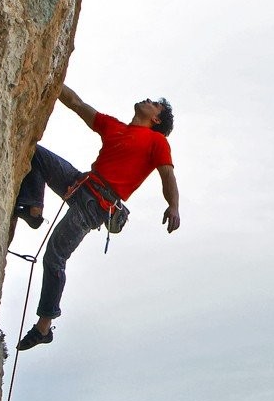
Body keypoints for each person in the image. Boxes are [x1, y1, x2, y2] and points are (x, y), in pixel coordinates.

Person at [11, 84, 180, 348]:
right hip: (81, 183)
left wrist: (173, 206)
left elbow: (167, 174)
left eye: (154, 104)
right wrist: (53, 80)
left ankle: (44, 328)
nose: (148, 99)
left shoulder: (157, 141)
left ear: (156, 119)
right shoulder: (115, 127)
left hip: (96, 204)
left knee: (55, 256)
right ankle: (34, 208)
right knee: (35, 152)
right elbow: (77, 103)